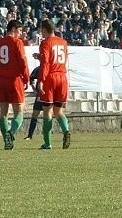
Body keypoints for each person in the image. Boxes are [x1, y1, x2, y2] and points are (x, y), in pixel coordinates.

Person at [0, 19, 30, 150]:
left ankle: (6, 141)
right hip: (14, 79)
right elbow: (23, 61)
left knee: (3, 113)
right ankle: (11, 133)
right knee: (19, 112)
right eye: (20, 31)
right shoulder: (17, 43)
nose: (21, 34)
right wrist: (26, 78)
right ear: (14, 29)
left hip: (1, 80)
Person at [35, 19, 71, 150]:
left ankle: (47, 143)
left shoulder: (45, 43)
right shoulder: (63, 42)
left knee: (47, 111)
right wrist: (40, 57)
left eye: (41, 30)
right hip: (62, 76)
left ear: (44, 29)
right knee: (59, 110)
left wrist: (41, 81)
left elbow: (46, 64)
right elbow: (59, 59)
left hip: (50, 78)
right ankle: (66, 130)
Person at [24, 66, 43, 140]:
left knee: (50, 114)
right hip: (40, 95)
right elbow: (31, 77)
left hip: (49, 95)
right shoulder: (39, 69)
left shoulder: (52, 67)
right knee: (35, 114)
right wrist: (34, 88)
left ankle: (48, 137)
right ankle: (30, 135)